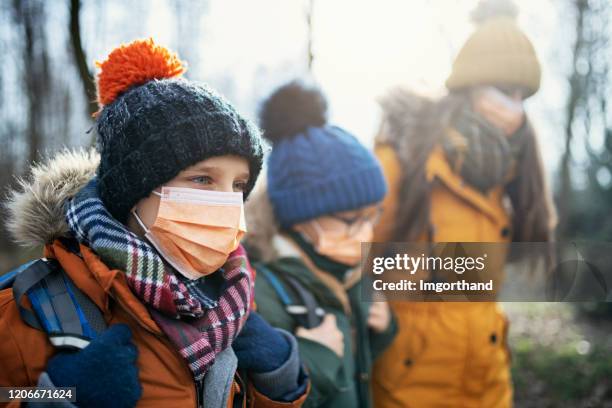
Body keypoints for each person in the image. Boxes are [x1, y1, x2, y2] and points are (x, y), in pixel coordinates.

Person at [0, 39, 308, 408]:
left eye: (238, 185)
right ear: (134, 192)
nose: (229, 202)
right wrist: (59, 398)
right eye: (203, 180)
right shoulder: (24, 306)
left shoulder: (233, 301)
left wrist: (278, 385)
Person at [370, 2, 557, 407]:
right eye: (505, 92)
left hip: (488, 387)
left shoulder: (503, 178)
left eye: (523, 96)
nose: (516, 110)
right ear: (469, 88)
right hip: (408, 391)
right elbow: (345, 257)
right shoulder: (402, 162)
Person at [244, 81, 397, 408]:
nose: (365, 231)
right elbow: (256, 398)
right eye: (352, 218)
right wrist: (315, 360)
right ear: (300, 216)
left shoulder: (345, 269)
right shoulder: (261, 291)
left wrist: (379, 331)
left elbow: (352, 368)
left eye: (372, 216)